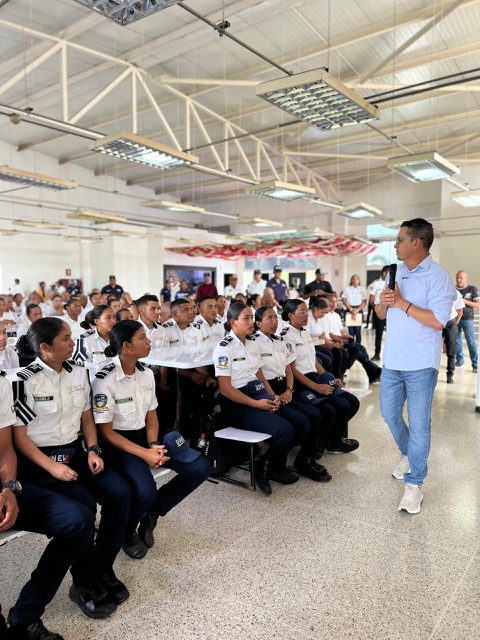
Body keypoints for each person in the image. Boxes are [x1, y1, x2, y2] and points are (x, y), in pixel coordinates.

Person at [12, 318, 132, 620]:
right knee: (85, 507)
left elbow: (86, 417)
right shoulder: (24, 380)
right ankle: (84, 582)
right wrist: (51, 467)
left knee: (119, 493)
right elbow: (20, 438)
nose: (72, 342)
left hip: (75, 452)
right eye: (65, 338)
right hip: (39, 459)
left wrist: (92, 449)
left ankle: (102, 567)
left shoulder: (79, 371)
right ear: (45, 347)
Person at [92, 320, 210, 557]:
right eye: (142, 338)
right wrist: (145, 454)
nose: (149, 342)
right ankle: (126, 532)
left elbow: (151, 415)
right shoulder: (105, 379)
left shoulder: (146, 373)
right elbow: (106, 432)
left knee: (200, 468)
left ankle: (152, 512)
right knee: (145, 490)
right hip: (118, 443)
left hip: (146, 435)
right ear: (127, 346)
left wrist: (154, 445)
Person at [0, 369, 94, 640]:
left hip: (6, 486)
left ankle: (24, 616)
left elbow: (5, 450)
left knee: (78, 519)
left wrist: (9, 487)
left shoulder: (2, 383)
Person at [377, 218, 456, 514]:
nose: (395, 245)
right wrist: (384, 303)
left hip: (421, 363)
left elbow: (437, 321)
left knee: (420, 425)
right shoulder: (394, 273)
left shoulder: (439, 277)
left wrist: (401, 303)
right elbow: (381, 313)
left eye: (399, 239)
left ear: (416, 242)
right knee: (389, 413)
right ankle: (409, 454)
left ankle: (414, 484)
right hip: (392, 360)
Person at [213, 302, 298, 495]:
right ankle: (270, 471)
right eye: (246, 318)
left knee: (299, 422)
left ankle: (267, 463)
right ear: (233, 322)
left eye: (252, 317)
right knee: (283, 429)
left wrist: (271, 395)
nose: (251, 321)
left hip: (257, 393)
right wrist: (256, 404)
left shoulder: (251, 342)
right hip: (237, 404)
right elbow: (225, 389)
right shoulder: (224, 348)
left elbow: (258, 372)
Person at [254, 306, 333, 482]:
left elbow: (289, 369)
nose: (274, 322)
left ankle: (305, 460)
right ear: (258, 323)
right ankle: (271, 462)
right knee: (302, 421)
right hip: (268, 391)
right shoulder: (253, 343)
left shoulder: (280, 340)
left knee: (315, 414)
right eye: (269, 319)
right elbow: (258, 374)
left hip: (285, 389)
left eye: (275, 318)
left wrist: (289, 390)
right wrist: (273, 395)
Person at [280, 299, 360, 456]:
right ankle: (325, 442)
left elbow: (314, 361)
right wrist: (317, 387)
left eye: (306, 311)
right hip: (300, 382)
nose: (306, 315)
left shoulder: (304, 333)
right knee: (339, 406)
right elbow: (292, 370)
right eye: (302, 312)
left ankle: (330, 439)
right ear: (290, 315)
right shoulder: (286, 337)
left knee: (352, 401)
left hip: (314, 377)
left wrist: (328, 377)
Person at [324, 293, 382, 384]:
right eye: (331, 301)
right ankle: (372, 371)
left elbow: (341, 331)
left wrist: (346, 336)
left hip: (340, 338)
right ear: (326, 302)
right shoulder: (325, 316)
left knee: (362, 348)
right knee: (356, 350)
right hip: (333, 340)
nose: (334, 304)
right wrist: (342, 340)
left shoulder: (336, 315)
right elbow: (330, 335)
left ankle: (371, 372)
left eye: (335, 302)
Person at [73, 305, 116, 369]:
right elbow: (80, 368)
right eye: (108, 318)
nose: (113, 321)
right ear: (96, 321)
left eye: (114, 317)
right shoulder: (85, 340)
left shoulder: (119, 337)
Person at [455, 270, 480, 372]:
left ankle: (475, 363)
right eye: (457, 278)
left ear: (466, 279)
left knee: (471, 341)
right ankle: (460, 362)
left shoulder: (472, 289)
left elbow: (478, 305)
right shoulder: (452, 289)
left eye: (461, 278)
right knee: (457, 341)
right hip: (455, 319)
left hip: (467, 319)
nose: (458, 280)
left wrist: (465, 301)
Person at [368, 265, 389, 361]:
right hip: (379, 312)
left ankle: (391, 356)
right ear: (384, 273)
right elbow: (371, 300)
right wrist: (378, 309)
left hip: (391, 313)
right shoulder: (375, 284)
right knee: (379, 334)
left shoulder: (393, 284)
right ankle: (377, 354)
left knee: (392, 334)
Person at [443, 291, 464, 384]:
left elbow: (460, 311)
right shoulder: (435, 290)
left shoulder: (456, 293)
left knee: (451, 350)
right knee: (432, 349)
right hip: (436, 321)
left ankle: (450, 373)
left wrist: (455, 323)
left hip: (450, 322)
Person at [342, 275, 367, 343]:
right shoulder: (347, 289)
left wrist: (357, 310)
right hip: (349, 309)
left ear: (359, 280)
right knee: (351, 332)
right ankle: (351, 347)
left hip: (358, 309)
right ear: (351, 280)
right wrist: (351, 309)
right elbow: (344, 300)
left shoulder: (362, 289)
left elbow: (364, 302)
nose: (355, 280)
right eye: (353, 278)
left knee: (358, 332)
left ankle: (358, 347)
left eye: (357, 278)